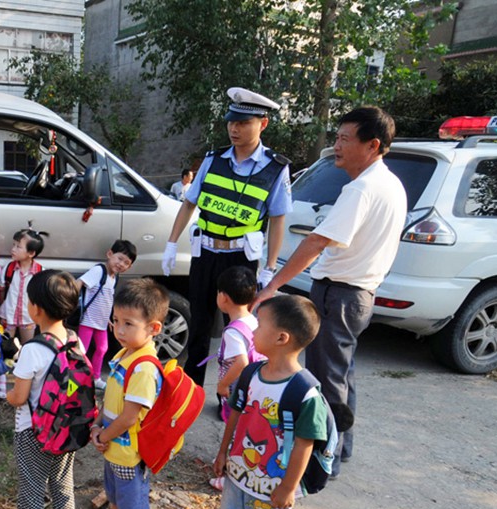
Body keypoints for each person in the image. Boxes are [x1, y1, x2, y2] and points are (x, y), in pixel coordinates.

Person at [255, 106, 406, 478]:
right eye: (336, 137)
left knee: (326, 380)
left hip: (340, 295)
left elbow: (316, 242)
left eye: (344, 139)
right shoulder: (391, 184)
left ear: (372, 145)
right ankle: (342, 447)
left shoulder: (362, 188)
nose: (336, 146)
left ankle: (325, 460)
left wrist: (272, 285)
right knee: (342, 375)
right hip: (358, 295)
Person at [205, 294, 329, 509]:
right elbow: (235, 414)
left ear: (281, 338)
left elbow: (304, 444)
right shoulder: (251, 374)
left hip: (272, 485)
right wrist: (223, 452)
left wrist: (288, 487)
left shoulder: (304, 393)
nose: (253, 331)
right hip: (238, 473)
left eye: (259, 325)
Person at [161, 87, 292, 386]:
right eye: (232, 121)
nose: (234, 128)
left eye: (243, 123)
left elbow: (278, 220)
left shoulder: (275, 168)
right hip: (205, 253)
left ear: (263, 124)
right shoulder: (213, 159)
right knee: (200, 324)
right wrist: (171, 243)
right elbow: (189, 204)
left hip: (240, 259)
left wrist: (270, 267)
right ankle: (191, 390)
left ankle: (232, 392)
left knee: (239, 328)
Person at [87, 278, 169, 509]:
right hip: (114, 451)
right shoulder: (126, 354)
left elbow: (129, 417)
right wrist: (98, 425)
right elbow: (112, 401)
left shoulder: (144, 368)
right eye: (116, 321)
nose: (119, 330)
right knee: (117, 502)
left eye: (128, 323)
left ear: (154, 328)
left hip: (129, 456)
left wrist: (102, 435)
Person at [4, 270, 82, 509]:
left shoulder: (32, 349)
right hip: (67, 429)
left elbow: (19, 397)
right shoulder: (74, 341)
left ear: (36, 309)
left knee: (32, 486)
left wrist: (8, 395)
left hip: (33, 432)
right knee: (62, 481)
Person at [74, 239, 137, 389]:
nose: (121, 264)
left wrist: (108, 319)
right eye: (119, 258)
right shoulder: (99, 271)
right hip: (88, 321)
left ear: (129, 267)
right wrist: (70, 301)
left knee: (102, 349)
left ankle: (95, 378)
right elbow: (79, 283)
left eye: (126, 263)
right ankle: (77, 379)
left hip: (101, 323)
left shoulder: (114, 277)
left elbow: (106, 300)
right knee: (81, 351)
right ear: (109, 254)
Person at [211, 266, 262, 422]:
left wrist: (223, 385)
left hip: (238, 388)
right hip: (254, 385)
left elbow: (241, 362)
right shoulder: (253, 320)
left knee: (234, 422)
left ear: (223, 297)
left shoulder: (232, 332)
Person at [0, 228, 45, 346]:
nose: (13, 249)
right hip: (8, 315)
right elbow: (2, 290)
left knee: (27, 345)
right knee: (5, 345)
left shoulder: (39, 272)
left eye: (18, 247)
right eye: (13, 245)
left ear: (31, 253)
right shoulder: (9, 268)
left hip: (28, 318)